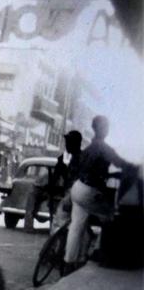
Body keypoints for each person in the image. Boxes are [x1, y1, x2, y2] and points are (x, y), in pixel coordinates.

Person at [63, 116, 138, 273]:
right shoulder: (103, 147)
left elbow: (92, 170)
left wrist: (111, 176)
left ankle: (69, 262)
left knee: (76, 225)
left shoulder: (90, 147)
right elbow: (121, 163)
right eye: (106, 127)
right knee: (110, 216)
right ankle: (97, 251)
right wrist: (135, 168)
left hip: (78, 188)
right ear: (102, 129)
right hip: (90, 190)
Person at [49, 130, 83, 234]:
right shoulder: (74, 158)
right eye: (67, 142)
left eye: (69, 142)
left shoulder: (79, 159)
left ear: (76, 143)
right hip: (73, 195)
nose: (67, 145)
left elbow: (76, 181)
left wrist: (70, 199)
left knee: (58, 224)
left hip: (73, 195)